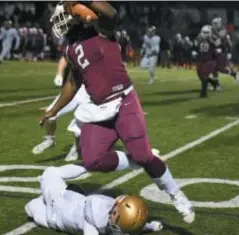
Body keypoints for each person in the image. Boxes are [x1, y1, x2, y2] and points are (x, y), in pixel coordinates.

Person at [40, 1, 194, 224]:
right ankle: (136, 160)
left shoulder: (99, 29)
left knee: (144, 156)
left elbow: (111, 13)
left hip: (123, 101)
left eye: (63, 15)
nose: (59, 21)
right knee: (93, 159)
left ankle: (176, 195)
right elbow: (73, 82)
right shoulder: (69, 46)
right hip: (99, 108)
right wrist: (53, 110)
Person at [25, 164, 164, 234]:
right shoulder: (115, 221)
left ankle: (85, 165)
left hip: (54, 216)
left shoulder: (91, 225)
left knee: (31, 205)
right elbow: (133, 225)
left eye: (115, 215)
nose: (112, 213)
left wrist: (148, 226)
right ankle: (86, 165)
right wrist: (149, 226)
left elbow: (134, 225)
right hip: (66, 198)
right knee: (49, 176)